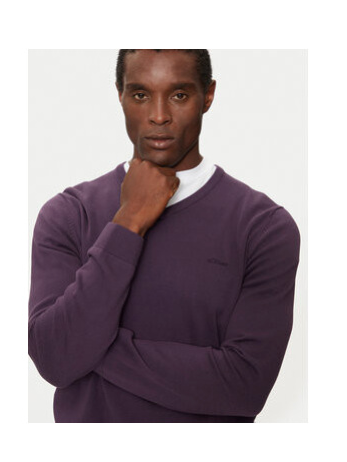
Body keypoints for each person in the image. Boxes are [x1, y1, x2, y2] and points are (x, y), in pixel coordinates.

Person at [28, 49, 301, 423]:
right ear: (120, 94)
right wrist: (129, 221)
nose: (159, 115)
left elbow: (245, 386)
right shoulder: (69, 214)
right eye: (141, 94)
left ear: (208, 96)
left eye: (179, 95)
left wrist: (88, 343)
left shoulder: (263, 227)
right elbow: (54, 359)